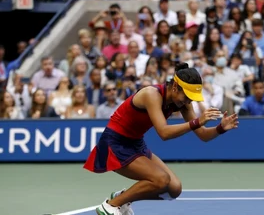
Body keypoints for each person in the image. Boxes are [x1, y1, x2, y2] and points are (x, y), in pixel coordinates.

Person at [83, 63, 239, 215]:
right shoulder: (151, 94)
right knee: (161, 180)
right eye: (187, 96)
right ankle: (110, 207)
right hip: (115, 144)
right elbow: (164, 132)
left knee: (174, 189)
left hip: (136, 144)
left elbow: (203, 135)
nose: (188, 101)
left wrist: (221, 128)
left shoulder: (182, 103)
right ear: (176, 87)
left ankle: (122, 198)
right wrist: (197, 121)